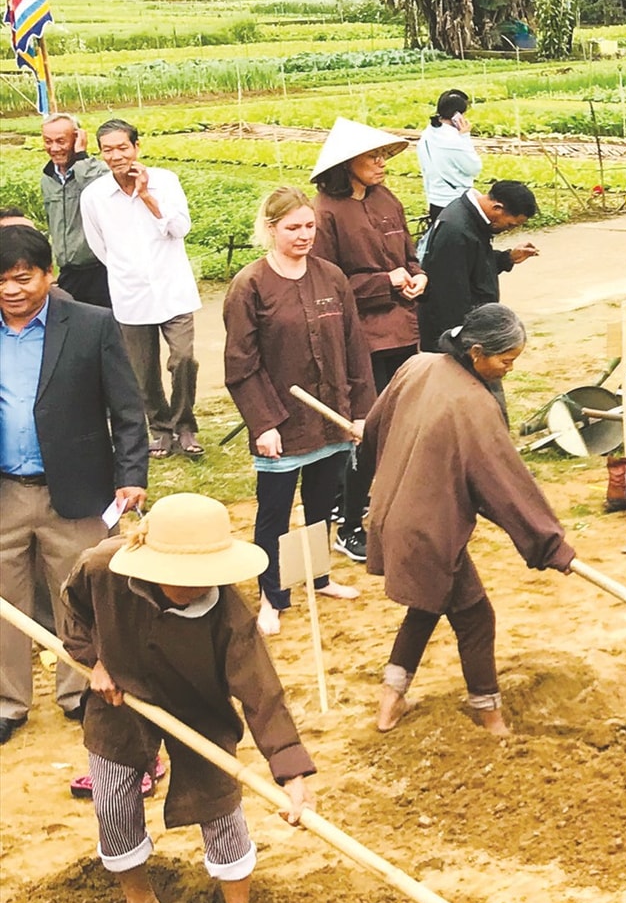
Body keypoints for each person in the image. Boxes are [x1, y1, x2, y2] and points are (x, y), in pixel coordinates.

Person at [62, 491, 317, 903]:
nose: (200, 586)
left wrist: (293, 773)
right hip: (122, 697)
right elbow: (71, 611)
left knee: (219, 809)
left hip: (199, 710)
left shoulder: (230, 616)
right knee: (113, 806)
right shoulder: (100, 568)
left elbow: (264, 696)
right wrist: (93, 658)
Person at [362, 304, 576, 738]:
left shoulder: (416, 365)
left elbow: (371, 430)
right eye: (504, 361)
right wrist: (551, 545)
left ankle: (391, 697)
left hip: (391, 513)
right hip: (429, 531)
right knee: (476, 618)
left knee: (426, 605)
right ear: (476, 352)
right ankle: (489, 713)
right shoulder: (475, 406)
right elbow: (505, 485)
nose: (508, 370)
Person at [0, 223, 147, 742]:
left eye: (22, 278)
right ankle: (8, 702)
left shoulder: (91, 325)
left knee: (80, 597)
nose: (11, 291)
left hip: (79, 490)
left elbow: (127, 409)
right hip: (5, 494)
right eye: (1, 281)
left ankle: (80, 689)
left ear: (49, 274)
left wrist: (131, 476)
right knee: (6, 602)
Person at [223, 187, 375, 638]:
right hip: (283, 425)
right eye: (293, 228)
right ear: (271, 230)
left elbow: (354, 350)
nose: (304, 235)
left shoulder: (331, 278)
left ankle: (317, 576)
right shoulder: (249, 285)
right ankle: (274, 592)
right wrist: (264, 423)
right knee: (274, 510)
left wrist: (360, 412)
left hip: (331, 417)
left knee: (320, 503)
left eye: (310, 226)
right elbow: (241, 364)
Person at [310, 119, 423, 565]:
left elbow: (409, 254)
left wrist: (416, 275)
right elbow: (325, 286)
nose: (381, 163)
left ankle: (375, 504)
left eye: (382, 156)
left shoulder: (386, 199)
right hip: (359, 338)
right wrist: (384, 281)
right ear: (345, 165)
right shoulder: (325, 213)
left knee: (397, 422)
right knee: (364, 429)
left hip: (402, 330)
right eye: (372, 157)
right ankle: (350, 522)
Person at [79, 119, 202, 458]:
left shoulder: (165, 182)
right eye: (108, 149)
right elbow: (98, 246)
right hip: (130, 294)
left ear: (136, 148)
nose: (116, 155)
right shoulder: (94, 196)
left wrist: (146, 195)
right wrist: (127, 271)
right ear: (101, 153)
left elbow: (180, 228)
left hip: (173, 289)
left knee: (183, 359)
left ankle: (185, 425)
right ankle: (160, 429)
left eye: (122, 147)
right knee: (141, 370)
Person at [414, 179, 539, 350]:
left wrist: (507, 258)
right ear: (497, 208)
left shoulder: (472, 221)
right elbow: (449, 295)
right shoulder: (456, 230)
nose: (509, 229)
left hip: (468, 328)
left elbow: (473, 263)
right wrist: (459, 343)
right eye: (510, 224)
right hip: (453, 336)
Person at [40, 114, 113, 309]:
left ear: (77, 137)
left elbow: (103, 193)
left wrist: (81, 156)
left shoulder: (97, 171)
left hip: (100, 271)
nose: (54, 148)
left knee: (106, 331)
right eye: (48, 141)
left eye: (61, 141)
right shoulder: (48, 178)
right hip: (69, 272)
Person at [417, 89, 481, 224]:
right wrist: (465, 137)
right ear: (457, 115)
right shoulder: (454, 141)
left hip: (435, 201)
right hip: (456, 203)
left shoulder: (427, 135)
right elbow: (474, 168)